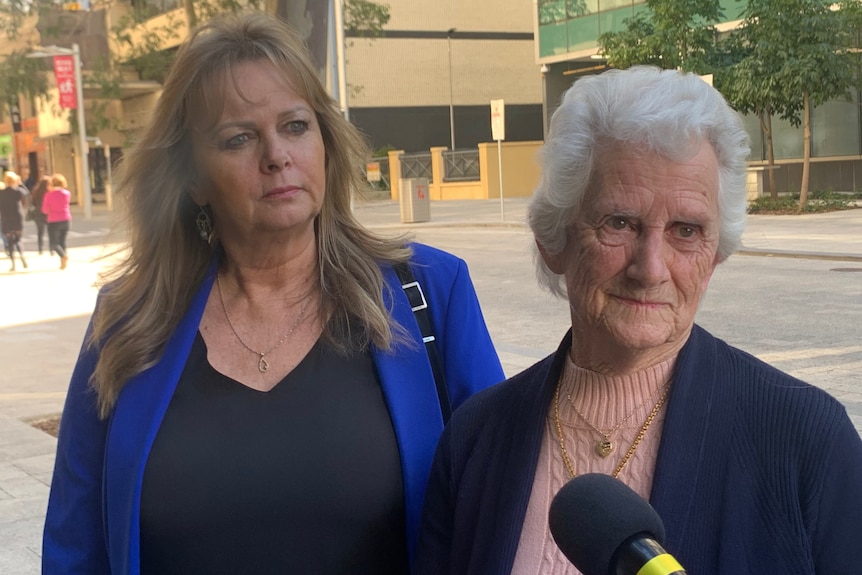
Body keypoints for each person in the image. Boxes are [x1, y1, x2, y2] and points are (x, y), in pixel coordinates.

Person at [42, 10, 503, 575]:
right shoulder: (129, 321)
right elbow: (75, 543)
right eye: (238, 138)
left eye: (295, 126)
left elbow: (499, 509)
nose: (276, 155)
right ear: (192, 179)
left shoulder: (430, 291)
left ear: (326, 143)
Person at [414, 66, 862, 575]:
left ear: (716, 254)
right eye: (620, 222)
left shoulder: (808, 442)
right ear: (554, 238)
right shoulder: (476, 440)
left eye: (687, 230)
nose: (650, 269)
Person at [42, 173, 72, 269]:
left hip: (54, 220)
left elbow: (44, 209)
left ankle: (63, 256)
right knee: (62, 241)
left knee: (54, 243)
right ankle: (63, 262)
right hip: (66, 219)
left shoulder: (49, 195)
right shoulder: (67, 193)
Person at [0, 171, 29, 271]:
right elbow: (27, 192)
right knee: (18, 240)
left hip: (6, 220)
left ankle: (13, 264)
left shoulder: (1, 193)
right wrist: (20, 183)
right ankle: (21, 255)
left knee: (10, 242)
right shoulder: (17, 192)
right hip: (17, 218)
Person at [29, 175, 50, 254]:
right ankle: (52, 249)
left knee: (40, 232)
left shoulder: (35, 191)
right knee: (50, 231)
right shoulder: (49, 192)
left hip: (37, 214)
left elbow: (33, 203)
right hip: (47, 213)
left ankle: (40, 249)